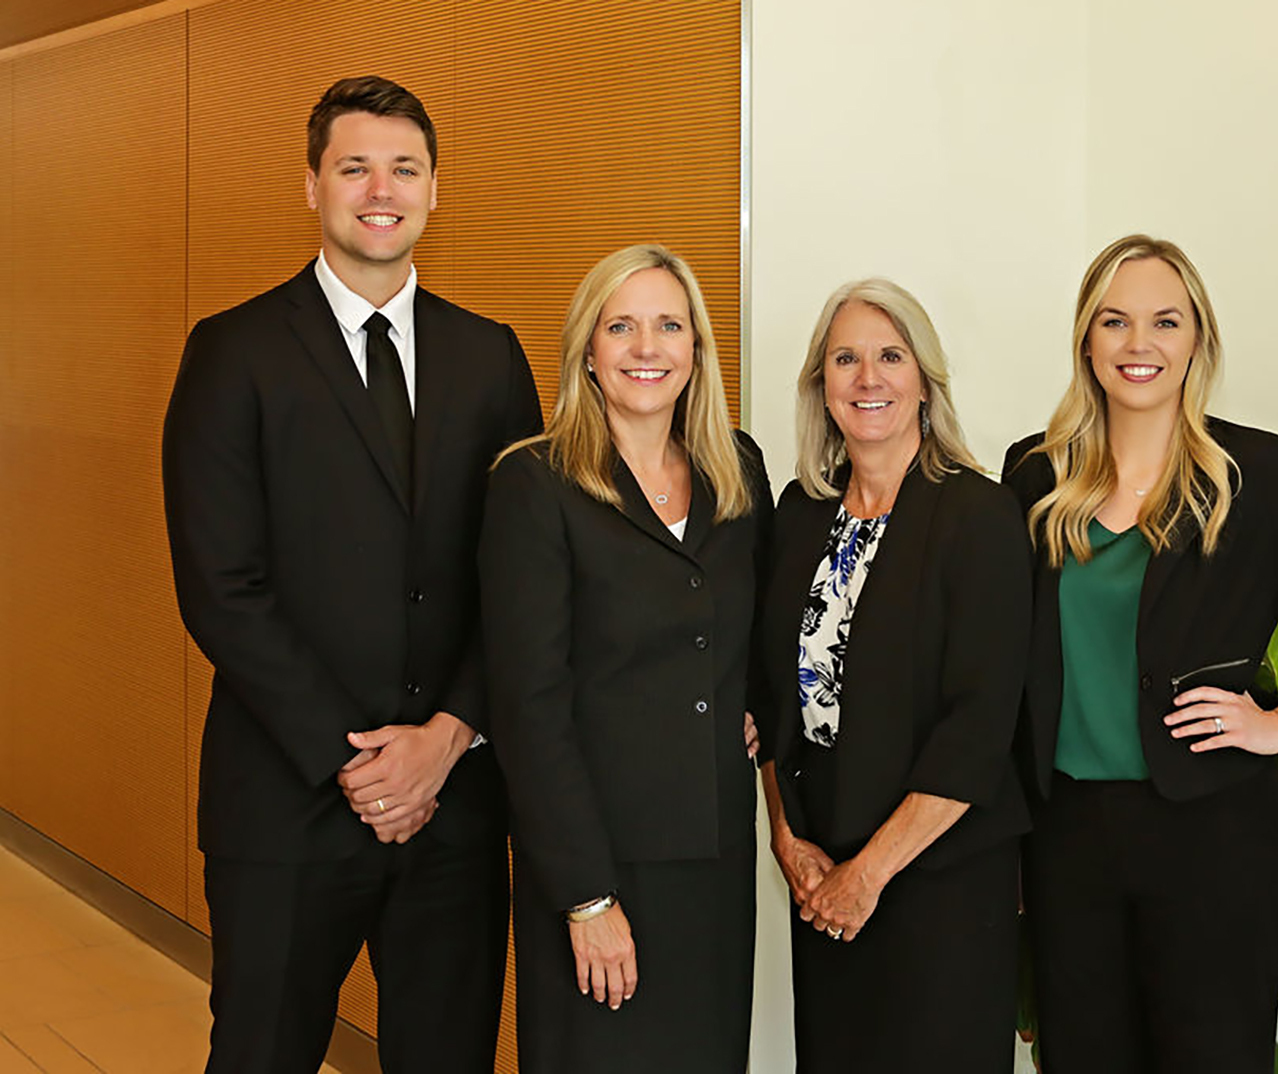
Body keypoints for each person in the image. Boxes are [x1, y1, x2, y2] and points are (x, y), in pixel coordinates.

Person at [161, 76, 540, 1072]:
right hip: (284, 802)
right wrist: (359, 762)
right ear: (313, 185)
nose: (382, 187)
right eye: (355, 165)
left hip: (454, 806)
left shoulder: (491, 359)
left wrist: (445, 740)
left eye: (404, 167)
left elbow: (523, 582)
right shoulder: (232, 351)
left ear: (433, 189)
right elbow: (220, 584)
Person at [1003, 234, 1278, 1073]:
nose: (1140, 345)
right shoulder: (1035, 476)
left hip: (1207, 834)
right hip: (1066, 841)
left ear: (1197, 338)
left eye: (1166, 321)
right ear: (1087, 340)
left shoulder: (1258, 472)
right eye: (1116, 322)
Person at [479, 243, 768, 1073]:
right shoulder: (535, 484)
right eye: (622, 326)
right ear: (589, 352)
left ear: (697, 350)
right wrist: (585, 895)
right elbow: (528, 704)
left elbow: (758, 625)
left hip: (713, 858)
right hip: (597, 859)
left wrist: (756, 707)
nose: (647, 348)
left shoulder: (736, 471)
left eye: (669, 325)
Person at [756, 279, 1032, 1073]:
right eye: (845, 359)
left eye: (889, 356)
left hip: (940, 878)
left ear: (924, 382)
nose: (867, 378)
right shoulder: (800, 514)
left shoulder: (978, 515)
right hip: (825, 874)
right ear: (821, 385)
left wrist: (867, 875)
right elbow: (771, 697)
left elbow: (980, 726)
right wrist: (787, 838)